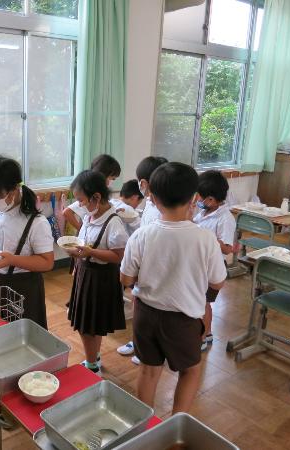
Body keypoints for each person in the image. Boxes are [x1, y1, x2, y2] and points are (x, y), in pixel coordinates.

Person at [120, 162, 226, 414]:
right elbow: (218, 281)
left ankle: (145, 427)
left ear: (153, 198)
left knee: (148, 370)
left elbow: (125, 279)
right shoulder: (205, 239)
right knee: (190, 370)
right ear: (195, 198)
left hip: (145, 314)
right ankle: (177, 425)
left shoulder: (142, 235)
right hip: (183, 319)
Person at [0, 156, 54, 329]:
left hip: (23, 289)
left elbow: (47, 262)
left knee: (22, 339)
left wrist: (12, 260)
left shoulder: (37, 223)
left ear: (14, 189)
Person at [65, 170, 128, 375]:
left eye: (82, 200)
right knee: (87, 322)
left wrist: (91, 252)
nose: (80, 205)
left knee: (90, 325)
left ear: (97, 197)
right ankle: (94, 358)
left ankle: (92, 365)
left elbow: (119, 256)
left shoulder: (113, 222)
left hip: (101, 278)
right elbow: (84, 244)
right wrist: (77, 263)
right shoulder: (90, 217)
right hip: (85, 273)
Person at [116, 156, 167, 361]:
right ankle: (139, 342)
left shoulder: (162, 208)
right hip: (143, 262)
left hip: (155, 264)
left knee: (152, 308)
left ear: (143, 184)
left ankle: (149, 346)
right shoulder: (150, 204)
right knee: (139, 302)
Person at [193, 170, 236, 351]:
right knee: (197, 300)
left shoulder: (225, 218)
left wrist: (208, 238)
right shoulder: (205, 212)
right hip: (200, 264)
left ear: (210, 199)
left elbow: (227, 248)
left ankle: (204, 336)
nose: (198, 201)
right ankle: (204, 332)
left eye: (200, 198)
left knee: (204, 303)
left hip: (213, 267)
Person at [63, 154, 122, 233]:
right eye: (112, 178)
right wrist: (81, 230)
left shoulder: (113, 222)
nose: (111, 182)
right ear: (103, 176)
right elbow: (67, 212)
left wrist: (113, 212)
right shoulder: (87, 196)